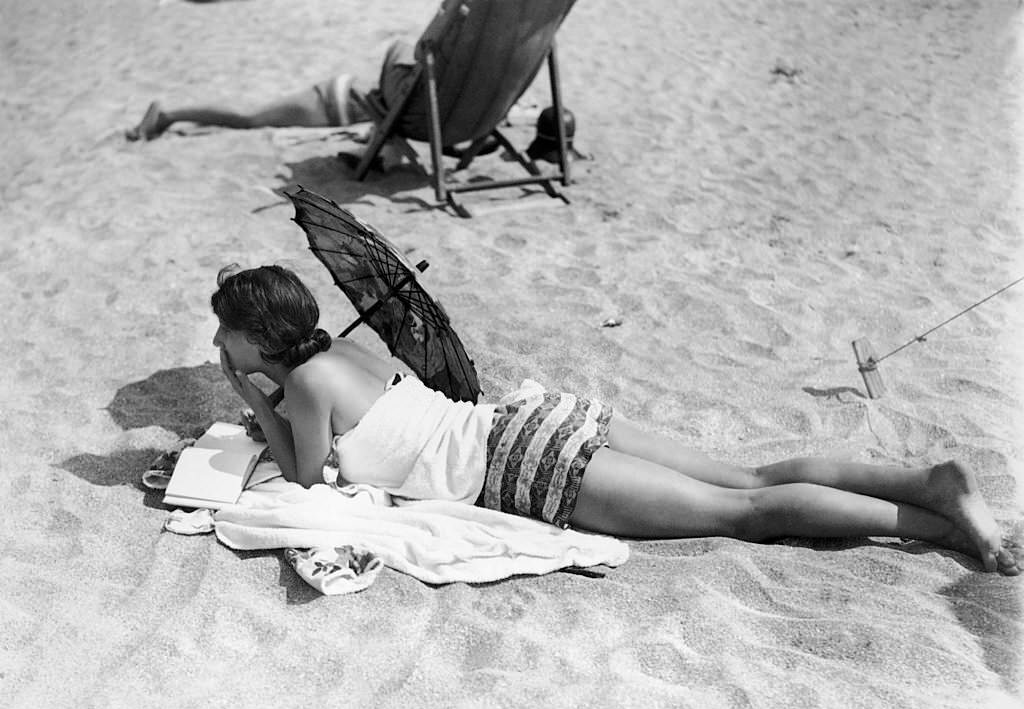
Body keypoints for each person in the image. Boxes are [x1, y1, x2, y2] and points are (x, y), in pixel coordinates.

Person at [211, 264, 1021, 576]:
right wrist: (268, 390)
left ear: (255, 341)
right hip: (535, 417)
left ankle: (937, 525)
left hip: (520, 467)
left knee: (745, 515)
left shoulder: (307, 384)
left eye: (225, 331)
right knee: (748, 477)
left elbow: (311, 478)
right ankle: (930, 483)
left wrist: (256, 402)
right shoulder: (350, 354)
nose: (218, 341)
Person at [126, 41, 419, 142]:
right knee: (250, 117)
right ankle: (168, 114)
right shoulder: (439, 109)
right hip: (333, 103)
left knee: (251, 114)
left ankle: (180, 116)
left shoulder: (435, 91)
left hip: (342, 97)